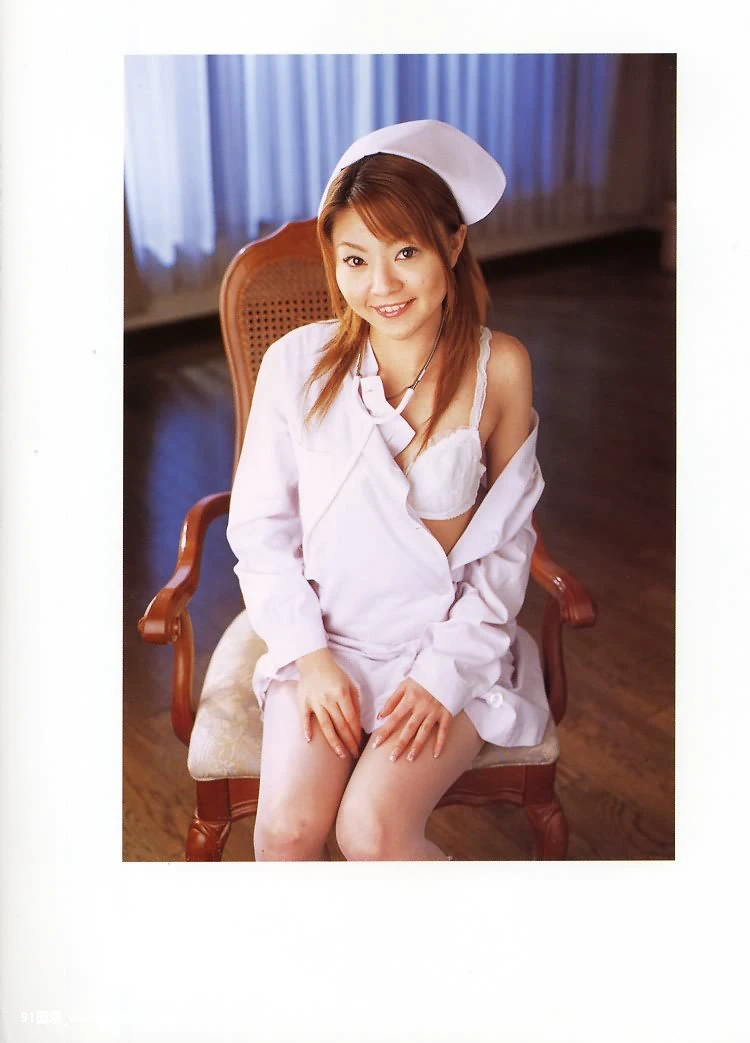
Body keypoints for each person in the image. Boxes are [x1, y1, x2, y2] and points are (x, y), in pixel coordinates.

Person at [227, 119, 551, 862]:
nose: (381, 286)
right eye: (355, 259)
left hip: (447, 646)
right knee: (285, 832)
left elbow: (506, 549)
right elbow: (260, 531)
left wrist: (442, 676)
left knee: (371, 833)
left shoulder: (500, 368)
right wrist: (311, 658)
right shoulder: (295, 364)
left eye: (405, 252)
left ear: (453, 245)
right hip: (325, 643)